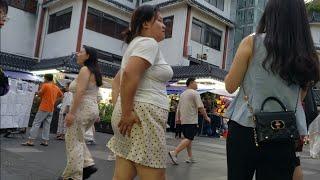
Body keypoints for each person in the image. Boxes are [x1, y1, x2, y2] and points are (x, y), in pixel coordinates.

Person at [224, 0, 320, 180]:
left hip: (245, 127)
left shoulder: (251, 43)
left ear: (271, 13)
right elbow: (300, 96)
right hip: (283, 133)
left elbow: (230, 86)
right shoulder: (308, 56)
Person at [107, 5, 173, 180]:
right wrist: (126, 112)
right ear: (145, 24)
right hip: (143, 118)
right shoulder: (148, 43)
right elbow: (129, 74)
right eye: (159, 20)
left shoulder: (137, 44)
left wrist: (121, 110)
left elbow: (117, 80)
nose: (164, 25)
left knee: (123, 175)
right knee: (155, 175)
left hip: (134, 115)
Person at [60, 46, 102, 180]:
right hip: (91, 109)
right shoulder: (95, 71)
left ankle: (73, 175)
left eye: (81, 52)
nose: (78, 54)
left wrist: (71, 113)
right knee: (78, 138)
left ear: (88, 56)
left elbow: (80, 92)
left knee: (73, 140)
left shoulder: (85, 70)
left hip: (82, 108)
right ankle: (87, 164)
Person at [168, 78, 211, 164]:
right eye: (196, 82)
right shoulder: (195, 93)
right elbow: (200, 107)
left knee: (188, 138)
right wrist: (206, 117)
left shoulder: (183, 94)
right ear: (191, 83)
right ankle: (174, 152)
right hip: (191, 119)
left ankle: (190, 157)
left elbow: (179, 108)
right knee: (189, 138)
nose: (197, 84)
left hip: (184, 120)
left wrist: (178, 119)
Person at [22, 74, 63, 146]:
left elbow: (39, 93)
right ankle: (45, 141)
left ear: (46, 79)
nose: (44, 80)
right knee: (47, 125)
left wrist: (34, 93)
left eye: (44, 78)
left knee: (36, 123)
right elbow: (62, 95)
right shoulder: (56, 87)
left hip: (44, 107)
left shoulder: (45, 85)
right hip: (51, 108)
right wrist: (54, 101)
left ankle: (31, 140)